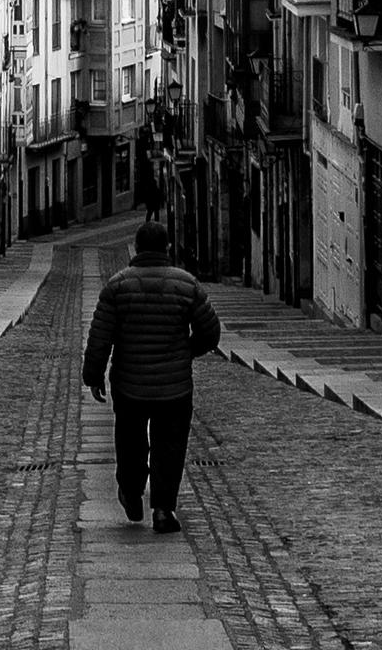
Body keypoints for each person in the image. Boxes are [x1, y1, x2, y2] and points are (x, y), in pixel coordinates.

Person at [81, 218, 222, 532]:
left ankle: (131, 491)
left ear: (137, 247)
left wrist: (93, 375)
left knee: (130, 442)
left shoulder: (117, 286)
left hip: (129, 384)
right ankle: (163, 509)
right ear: (167, 247)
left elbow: (100, 337)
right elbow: (211, 333)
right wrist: (186, 351)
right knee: (169, 447)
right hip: (175, 386)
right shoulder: (187, 285)